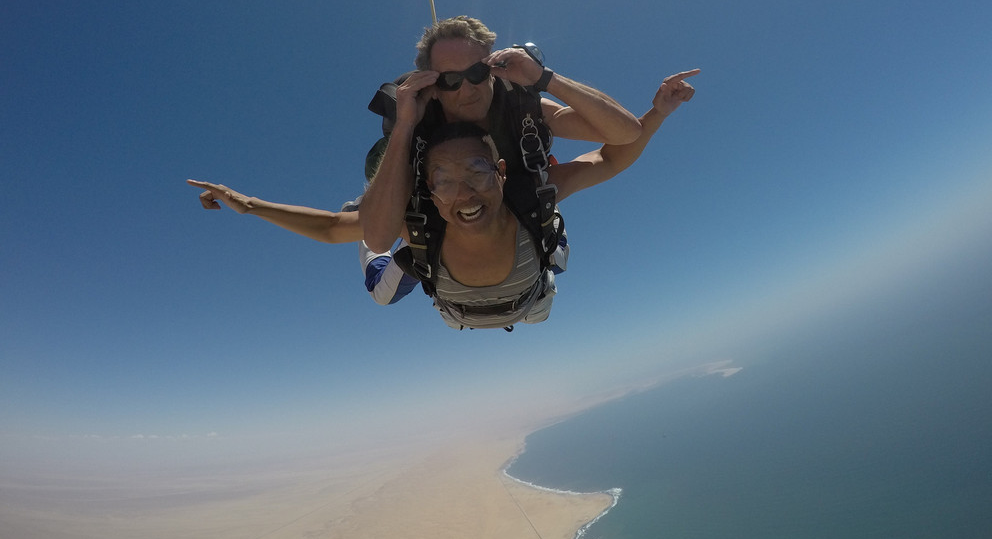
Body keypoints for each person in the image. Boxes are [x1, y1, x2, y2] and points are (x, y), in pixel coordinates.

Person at [189, 70, 698, 329]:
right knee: (380, 273)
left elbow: (609, 158)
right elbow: (326, 228)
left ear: (500, 173)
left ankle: (371, 210)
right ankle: (371, 208)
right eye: (445, 182)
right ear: (428, 192)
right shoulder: (422, 222)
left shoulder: (528, 198)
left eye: (476, 171)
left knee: (539, 292)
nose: (465, 192)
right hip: (462, 293)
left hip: (520, 303)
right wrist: (244, 202)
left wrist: (657, 113)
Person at [360, 16, 642, 254]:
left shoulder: (523, 108)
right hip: (450, 248)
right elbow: (377, 239)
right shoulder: (419, 126)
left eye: (477, 72)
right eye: (450, 80)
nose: (467, 89)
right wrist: (405, 126)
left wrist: (544, 78)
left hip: (520, 228)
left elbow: (626, 132)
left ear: (494, 70)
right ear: (433, 86)